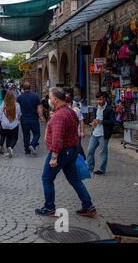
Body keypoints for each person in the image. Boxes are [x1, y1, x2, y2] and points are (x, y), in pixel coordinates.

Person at [35, 87, 96, 217]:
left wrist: (54, 156)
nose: (49, 100)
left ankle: (49, 207)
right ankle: (88, 206)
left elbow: (57, 138)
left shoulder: (59, 116)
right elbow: (75, 132)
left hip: (62, 152)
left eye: (50, 98)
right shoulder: (70, 111)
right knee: (74, 179)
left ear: (55, 100)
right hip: (72, 150)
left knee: (47, 178)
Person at [86, 92, 115, 175]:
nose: (99, 101)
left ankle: (101, 170)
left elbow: (113, 122)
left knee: (103, 152)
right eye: (98, 99)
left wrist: (101, 121)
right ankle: (90, 167)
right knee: (90, 150)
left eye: (101, 99)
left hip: (104, 134)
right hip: (95, 133)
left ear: (105, 99)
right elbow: (94, 119)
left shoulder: (109, 109)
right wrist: (93, 123)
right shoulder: (96, 108)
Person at [17, 82, 45, 155]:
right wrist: (41, 116)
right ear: (30, 88)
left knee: (26, 135)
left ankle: (27, 150)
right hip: (33, 118)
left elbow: (17, 108)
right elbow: (39, 107)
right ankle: (32, 144)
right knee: (37, 133)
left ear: (22, 88)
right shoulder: (35, 96)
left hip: (24, 119)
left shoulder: (19, 97)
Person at [0, 91, 21, 158]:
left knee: (7, 136)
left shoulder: (3, 104)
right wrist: (18, 121)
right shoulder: (17, 105)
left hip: (4, 124)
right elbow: (19, 114)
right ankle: (10, 148)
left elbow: (0, 114)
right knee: (14, 138)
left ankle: (6, 148)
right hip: (13, 124)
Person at [65, 94, 85, 158]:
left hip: (77, 133)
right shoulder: (63, 110)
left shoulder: (76, 110)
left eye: (67, 103)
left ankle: (84, 160)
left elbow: (81, 121)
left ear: (70, 102)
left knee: (78, 147)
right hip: (67, 134)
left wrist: (82, 131)